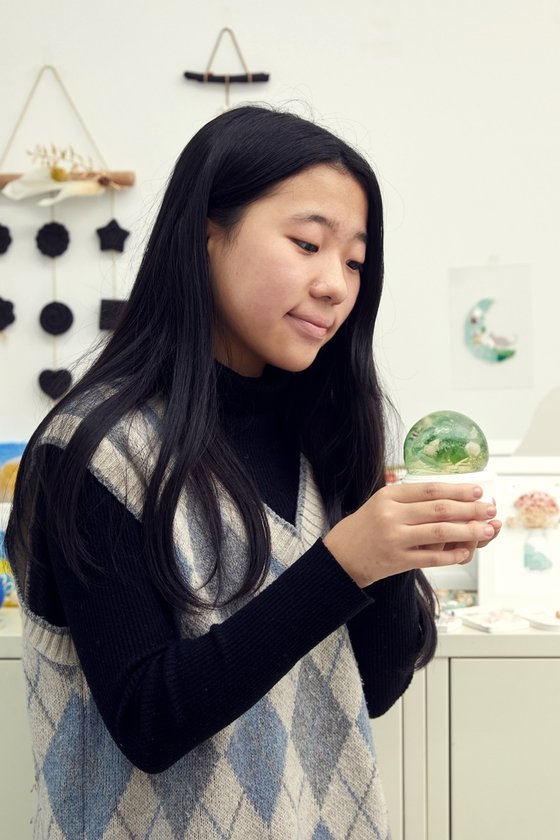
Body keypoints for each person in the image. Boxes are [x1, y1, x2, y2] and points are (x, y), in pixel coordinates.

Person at [7, 105, 501, 840]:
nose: (337, 283)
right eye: (308, 243)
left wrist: (394, 560)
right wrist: (344, 564)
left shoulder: (326, 435)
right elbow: (149, 721)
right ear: (207, 234)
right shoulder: (90, 454)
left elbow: (374, 686)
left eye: (356, 261)